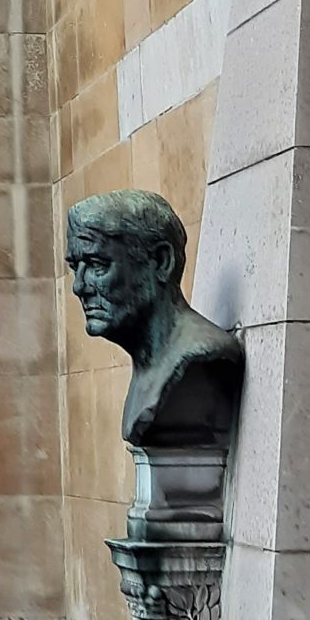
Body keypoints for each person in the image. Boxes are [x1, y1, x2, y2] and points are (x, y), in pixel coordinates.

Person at [63, 188, 242, 446]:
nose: (79, 286)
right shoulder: (148, 364)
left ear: (160, 261)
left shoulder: (200, 357)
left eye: (97, 265)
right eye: (74, 268)